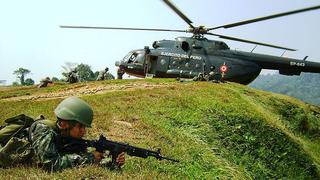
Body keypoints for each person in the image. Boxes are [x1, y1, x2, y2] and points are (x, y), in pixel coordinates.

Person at [29, 97, 125, 171]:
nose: (83, 131)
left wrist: (113, 162)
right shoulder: (44, 130)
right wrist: (90, 158)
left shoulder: (69, 138)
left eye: (84, 127)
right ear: (64, 124)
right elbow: (50, 164)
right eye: (80, 127)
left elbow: (81, 159)